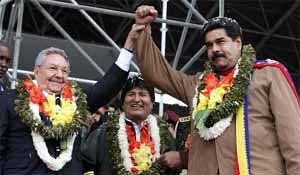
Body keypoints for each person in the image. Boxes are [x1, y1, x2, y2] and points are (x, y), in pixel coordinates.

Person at [125, 5, 300, 175]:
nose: (214, 49)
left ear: (238, 42)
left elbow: (293, 138)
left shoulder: (268, 75)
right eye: (209, 45)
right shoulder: (197, 85)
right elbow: (157, 73)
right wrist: (142, 29)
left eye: (220, 42)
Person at [0, 39, 135, 175]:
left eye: (64, 71)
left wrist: (129, 47)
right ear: (37, 71)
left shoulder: (76, 102)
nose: (59, 75)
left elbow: (108, 86)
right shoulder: (11, 100)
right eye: (53, 68)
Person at [81, 74, 183, 175]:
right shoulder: (104, 132)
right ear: (123, 103)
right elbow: (86, 164)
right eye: (131, 94)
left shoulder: (164, 134)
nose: (137, 99)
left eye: (142, 94)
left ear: (152, 103)